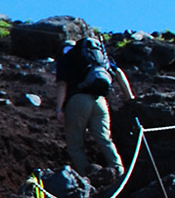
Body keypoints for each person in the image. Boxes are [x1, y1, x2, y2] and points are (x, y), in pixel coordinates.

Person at [54, 29, 136, 185]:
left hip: (77, 100)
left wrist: (59, 109)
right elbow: (118, 73)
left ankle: (87, 179)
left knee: (75, 145)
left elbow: (62, 85)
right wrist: (130, 98)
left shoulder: (66, 59)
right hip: (100, 101)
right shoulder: (96, 59)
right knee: (104, 138)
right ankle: (119, 171)